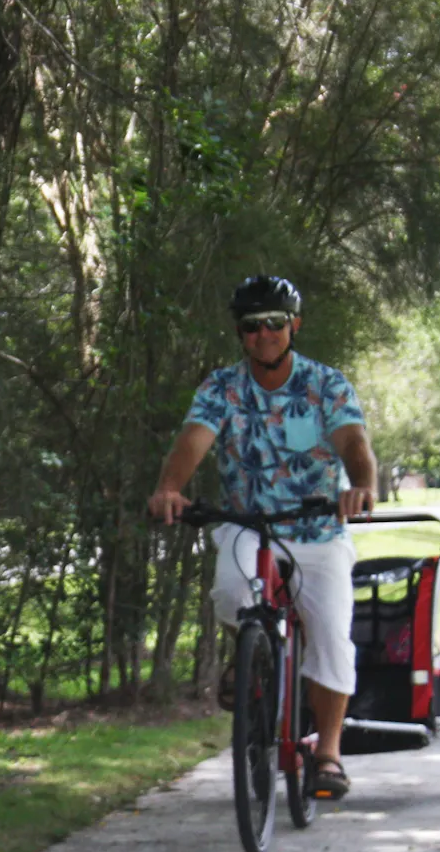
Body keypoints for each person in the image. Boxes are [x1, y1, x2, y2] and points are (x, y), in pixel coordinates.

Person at [147, 275, 377, 799]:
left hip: (317, 529)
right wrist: (169, 489)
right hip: (247, 524)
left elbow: (354, 443)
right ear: (240, 333)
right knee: (233, 594)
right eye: (252, 327)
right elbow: (192, 442)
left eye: (275, 323)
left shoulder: (325, 384)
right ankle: (252, 653)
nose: (264, 334)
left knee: (332, 638)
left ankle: (328, 753)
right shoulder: (222, 388)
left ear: (294, 326)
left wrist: (362, 485)